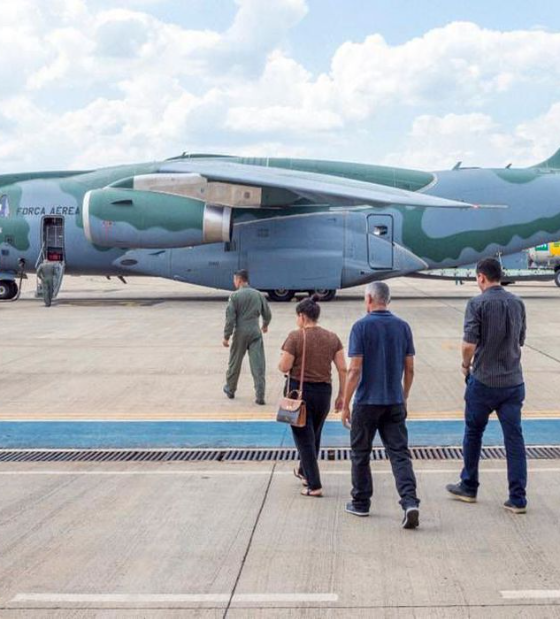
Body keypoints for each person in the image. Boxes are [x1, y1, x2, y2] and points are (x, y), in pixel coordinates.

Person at [446, 258, 528, 514]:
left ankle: (469, 485)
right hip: (513, 381)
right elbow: (521, 340)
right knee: (514, 439)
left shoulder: (476, 304)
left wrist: (465, 364)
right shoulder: (517, 303)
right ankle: (517, 498)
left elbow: (469, 343)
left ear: (481, 277)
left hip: (484, 381)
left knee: (473, 432)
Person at [342, 281, 420, 529]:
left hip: (367, 402)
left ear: (368, 299)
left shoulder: (360, 327)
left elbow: (354, 369)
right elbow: (409, 368)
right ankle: (409, 502)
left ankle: (361, 502)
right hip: (394, 400)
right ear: (388, 300)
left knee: (360, 453)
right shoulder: (403, 327)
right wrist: (404, 395)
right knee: (399, 454)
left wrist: (345, 403)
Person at [279, 295, 347, 497]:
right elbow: (343, 368)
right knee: (314, 435)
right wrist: (342, 394)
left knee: (304, 439)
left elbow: (284, 366)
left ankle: (314, 484)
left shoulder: (295, 337)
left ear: (302, 316)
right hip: (324, 393)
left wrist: (281, 363)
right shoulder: (332, 337)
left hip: (300, 395)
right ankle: (303, 471)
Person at [223, 270, 272, 405]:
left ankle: (231, 389)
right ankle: (260, 395)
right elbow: (267, 314)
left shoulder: (235, 296)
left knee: (235, 362)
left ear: (239, 280)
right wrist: (265, 325)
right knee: (258, 364)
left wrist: (226, 336)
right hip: (255, 332)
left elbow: (230, 319)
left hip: (240, 333)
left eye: (234, 280)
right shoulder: (258, 295)